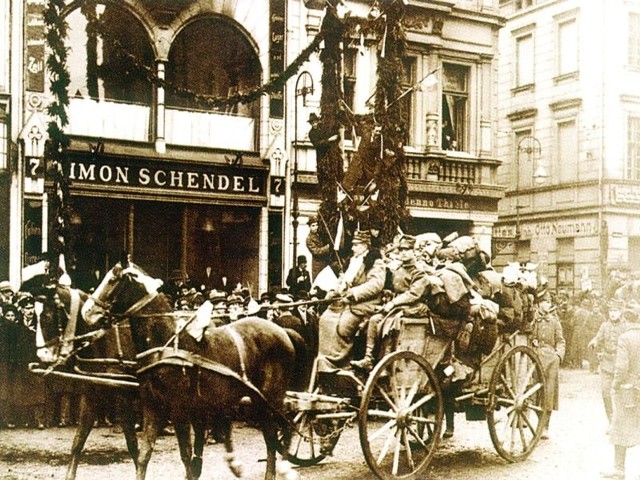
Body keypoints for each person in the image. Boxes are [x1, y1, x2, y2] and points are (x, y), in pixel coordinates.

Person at [351, 234, 429, 372]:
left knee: (390, 324)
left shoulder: (419, 272)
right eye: (401, 250)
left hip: (412, 307)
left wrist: (393, 303)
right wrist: (388, 296)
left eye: (407, 250)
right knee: (374, 320)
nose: (403, 253)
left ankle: (386, 363)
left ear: (414, 251)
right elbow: (394, 288)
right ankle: (368, 358)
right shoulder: (398, 269)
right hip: (397, 305)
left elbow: (413, 294)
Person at [318, 230, 386, 368]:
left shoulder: (374, 261)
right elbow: (342, 280)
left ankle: (341, 362)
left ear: (365, 246)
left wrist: (354, 293)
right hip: (346, 302)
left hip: (365, 303)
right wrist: (333, 291)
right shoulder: (352, 261)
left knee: (343, 325)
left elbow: (376, 284)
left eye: (356, 245)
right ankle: (326, 360)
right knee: (325, 319)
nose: (353, 248)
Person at [601, 305, 640, 480]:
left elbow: (622, 367)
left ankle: (619, 469)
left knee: (620, 427)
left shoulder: (625, 338)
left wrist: (615, 385)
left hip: (629, 390)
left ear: (625, 319)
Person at [529, 291, 565, 439]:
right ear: (539, 304)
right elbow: (528, 335)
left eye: (549, 302)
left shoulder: (554, 321)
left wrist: (558, 356)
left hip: (551, 360)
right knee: (537, 391)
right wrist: (533, 341)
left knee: (549, 393)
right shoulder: (534, 320)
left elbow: (561, 341)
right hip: (536, 358)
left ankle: (546, 425)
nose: (547, 305)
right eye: (545, 302)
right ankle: (539, 422)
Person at [589, 298, 629, 423]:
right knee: (605, 393)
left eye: (615, 311)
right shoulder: (604, 325)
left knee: (621, 394)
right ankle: (611, 420)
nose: (613, 313)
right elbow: (598, 337)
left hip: (621, 364)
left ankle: (621, 421)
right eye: (611, 310)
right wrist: (594, 341)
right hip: (606, 363)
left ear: (621, 312)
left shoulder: (626, 326)